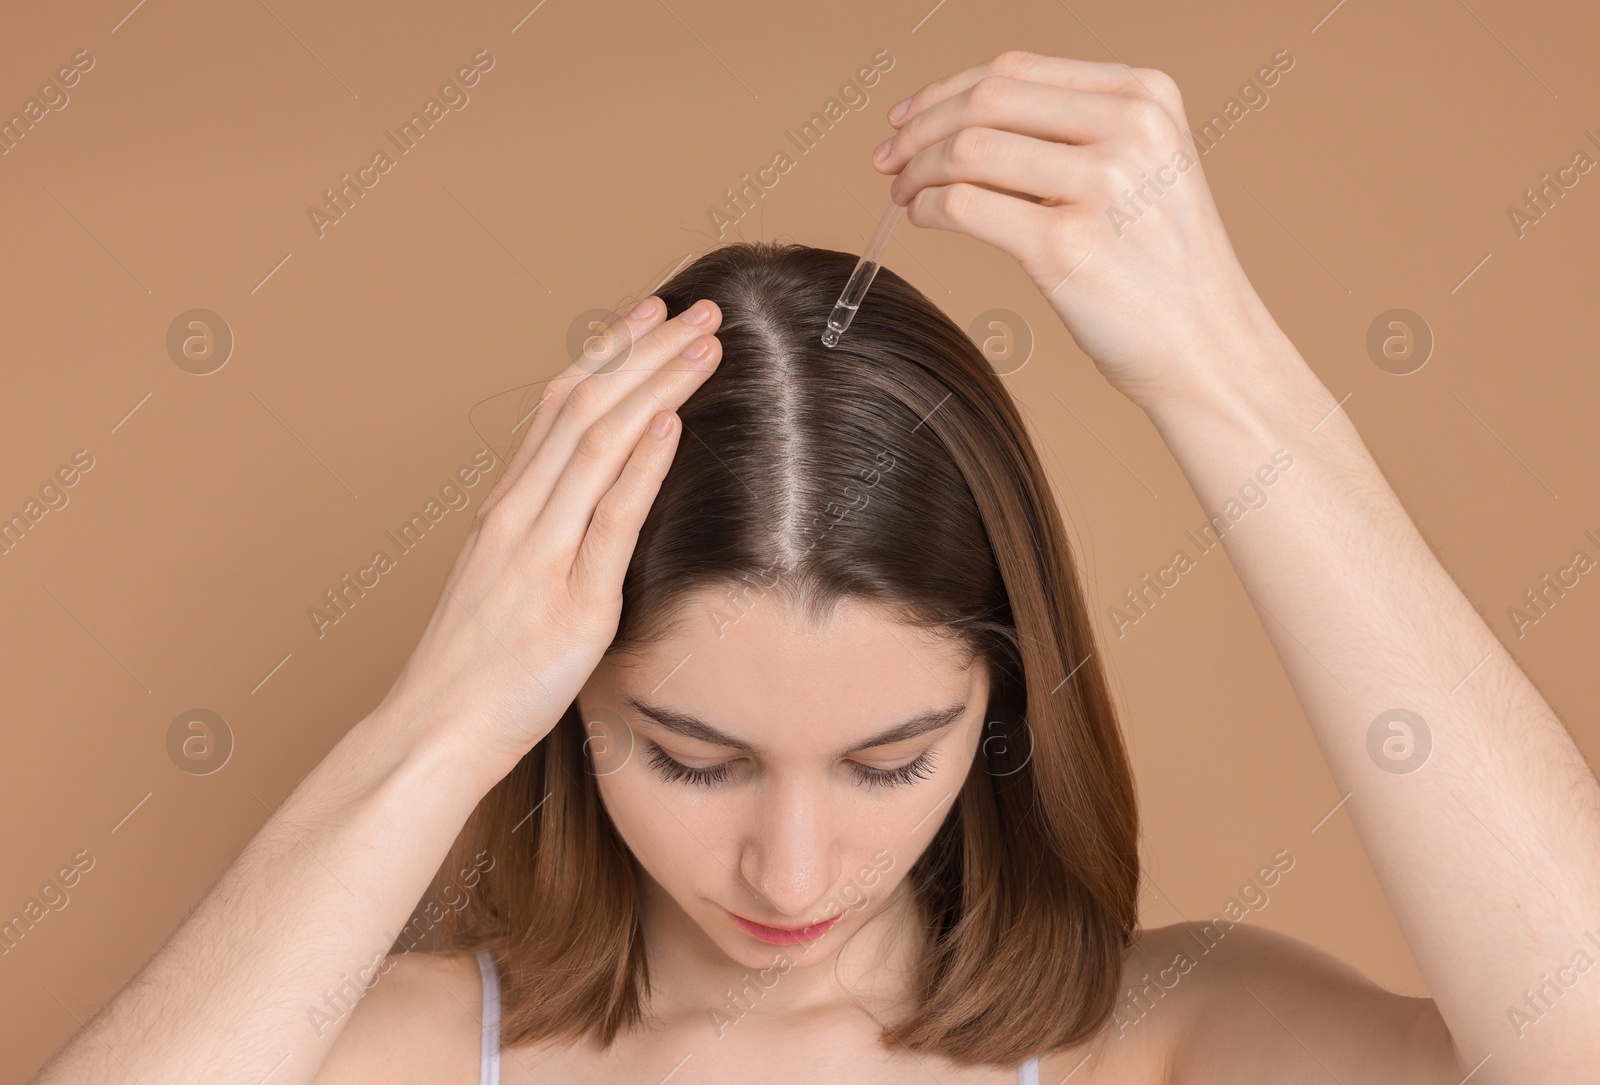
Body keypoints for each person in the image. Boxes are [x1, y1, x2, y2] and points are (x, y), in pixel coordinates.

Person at [31, 50, 1598, 1085]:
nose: (793, 875)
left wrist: (1228, 373)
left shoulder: (1157, 1039)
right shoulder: (415, 1051)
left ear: (998, 704)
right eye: (692, 756)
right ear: (571, 706)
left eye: (888, 758)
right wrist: (442, 714)